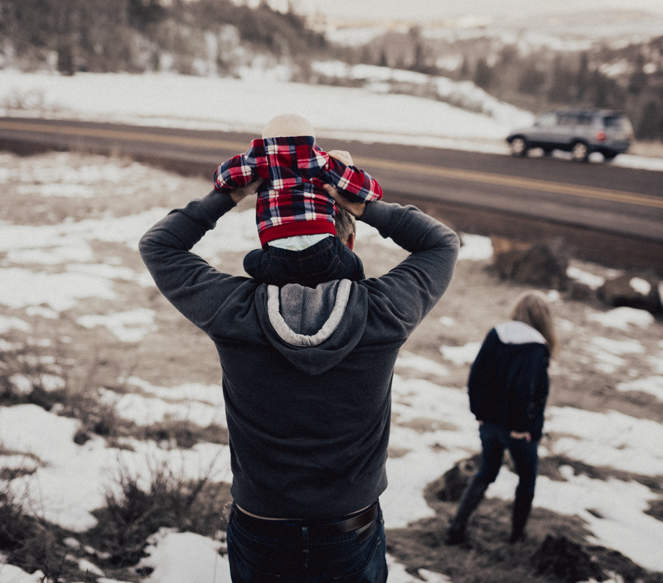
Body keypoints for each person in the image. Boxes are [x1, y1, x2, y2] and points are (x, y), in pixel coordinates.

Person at [138, 178, 458, 582]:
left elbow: (159, 245)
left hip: (261, 527)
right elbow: (442, 243)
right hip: (349, 528)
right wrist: (363, 202)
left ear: (266, 243)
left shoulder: (233, 312)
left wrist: (230, 194)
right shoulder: (383, 314)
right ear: (349, 242)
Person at [213, 113, 383, 288]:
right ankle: (357, 297)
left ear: (265, 144)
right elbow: (371, 191)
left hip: (277, 261)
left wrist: (246, 160)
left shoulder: (257, 163)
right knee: (354, 266)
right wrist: (348, 169)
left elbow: (221, 179)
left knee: (250, 260)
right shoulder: (323, 163)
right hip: (325, 253)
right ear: (311, 143)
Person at [445, 291, 556, 546]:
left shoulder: (497, 334)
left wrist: (480, 414)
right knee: (527, 479)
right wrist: (523, 428)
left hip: (490, 425)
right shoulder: (537, 347)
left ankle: (456, 527)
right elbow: (529, 392)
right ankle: (516, 537)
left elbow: (476, 377)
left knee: (485, 472)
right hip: (519, 431)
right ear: (543, 319)